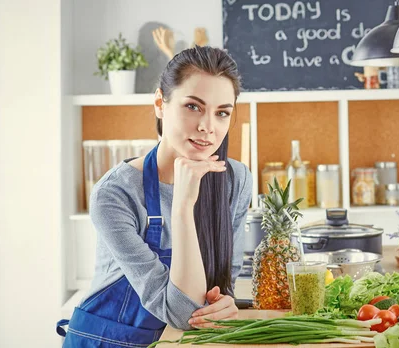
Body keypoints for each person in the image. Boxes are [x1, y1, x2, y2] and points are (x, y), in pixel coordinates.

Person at [56, 45, 253, 347]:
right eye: (193, 107)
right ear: (160, 103)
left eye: (222, 112)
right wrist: (183, 206)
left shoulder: (235, 180)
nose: (207, 127)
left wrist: (223, 302)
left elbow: (219, 287)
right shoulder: (115, 195)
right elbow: (182, 312)